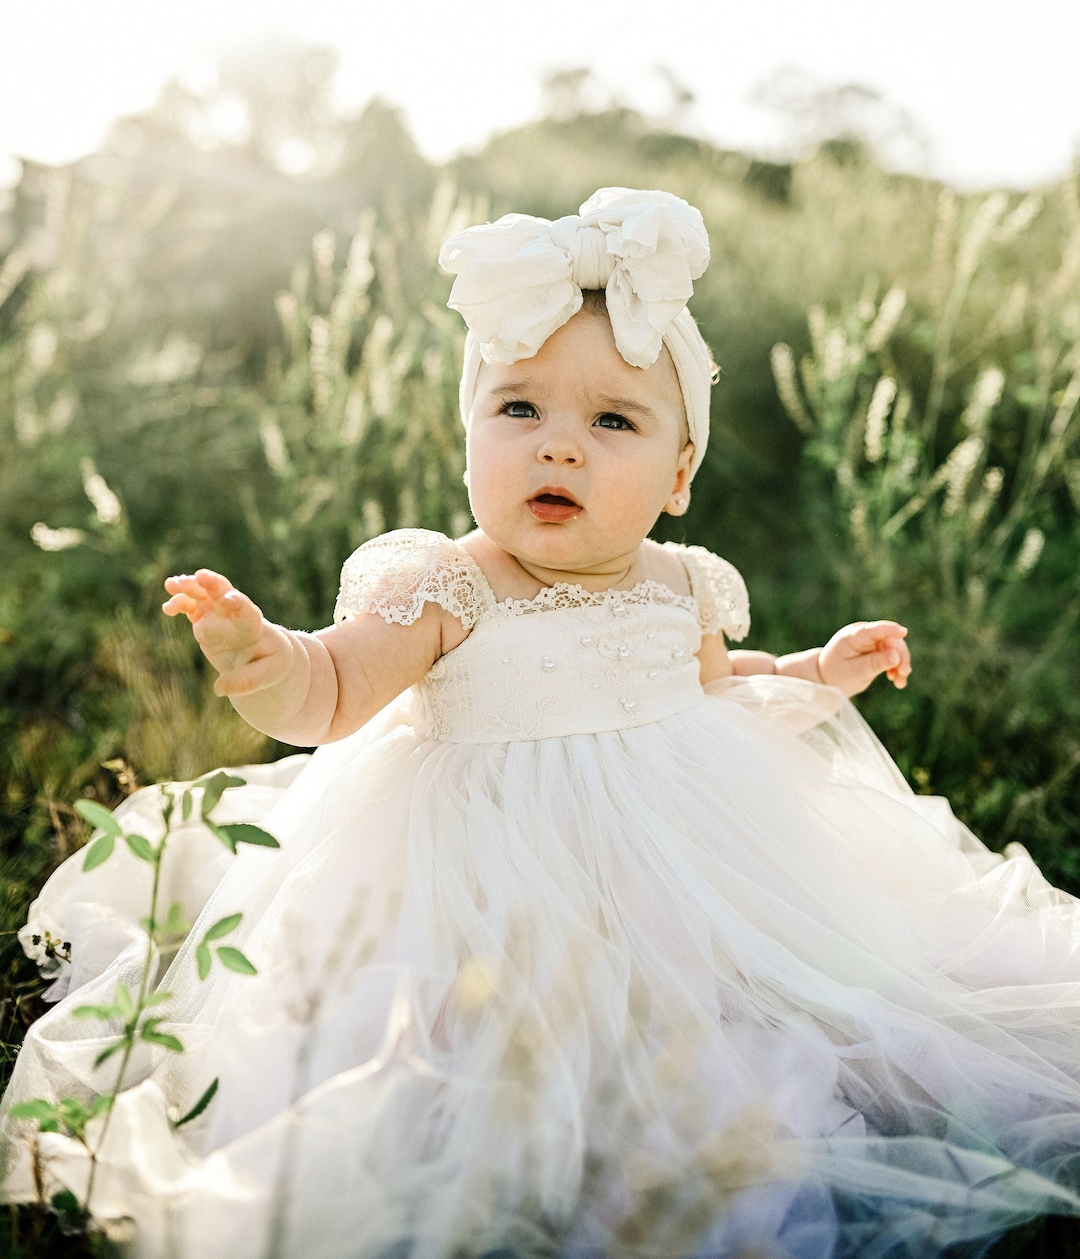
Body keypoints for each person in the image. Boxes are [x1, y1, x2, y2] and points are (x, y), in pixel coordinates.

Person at [4, 188, 1080, 1259]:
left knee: (768, 1008)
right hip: (473, 884)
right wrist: (263, 655)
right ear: (466, 433)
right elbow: (332, 694)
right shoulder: (446, 583)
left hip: (670, 862)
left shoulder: (682, 586)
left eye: (612, 419)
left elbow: (719, 687)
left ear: (679, 473)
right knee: (445, 1055)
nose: (557, 446)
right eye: (519, 408)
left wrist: (814, 668)